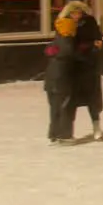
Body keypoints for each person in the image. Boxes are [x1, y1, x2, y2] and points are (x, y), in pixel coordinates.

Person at [60, 0, 103, 140]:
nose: (76, 15)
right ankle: (68, 131)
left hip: (89, 65)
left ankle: (96, 126)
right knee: (71, 100)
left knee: (92, 98)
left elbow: (98, 37)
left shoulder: (89, 21)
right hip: (73, 67)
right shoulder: (65, 24)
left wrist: (93, 49)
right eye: (73, 12)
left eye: (79, 12)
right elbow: (63, 42)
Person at [44, 14, 79, 145]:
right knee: (64, 107)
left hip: (51, 79)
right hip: (62, 80)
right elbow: (71, 56)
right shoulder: (68, 41)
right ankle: (64, 135)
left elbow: (49, 50)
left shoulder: (56, 39)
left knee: (54, 108)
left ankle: (53, 134)